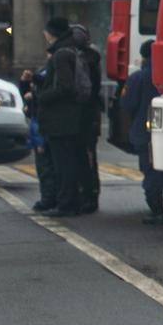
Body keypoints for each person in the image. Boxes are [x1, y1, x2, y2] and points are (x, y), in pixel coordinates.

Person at [34, 16, 91, 216]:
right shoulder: (70, 49)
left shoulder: (60, 54)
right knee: (68, 161)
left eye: (46, 31)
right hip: (68, 118)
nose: (44, 34)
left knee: (63, 163)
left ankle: (67, 204)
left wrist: (42, 97)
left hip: (61, 120)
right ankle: (70, 201)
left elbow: (64, 87)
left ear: (52, 32)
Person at [120, 40, 163, 225]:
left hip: (145, 131)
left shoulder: (138, 77)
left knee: (151, 172)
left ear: (144, 56)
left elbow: (127, 104)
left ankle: (156, 211)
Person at [70, 23, 102, 213]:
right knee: (88, 157)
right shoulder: (91, 57)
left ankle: (88, 196)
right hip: (90, 115)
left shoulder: (85, 59)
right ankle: (90, 195)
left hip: (86, 116)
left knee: (85, 158)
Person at [20, 61, 58, 212]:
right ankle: (49, 198)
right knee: (45, 165)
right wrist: (24, 84)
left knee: (45, 165)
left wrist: (32, 97)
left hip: (42, 125)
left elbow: (38, 98)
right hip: (40, 123)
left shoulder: (50, 72)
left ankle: (48, 199)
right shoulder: (46, 69)